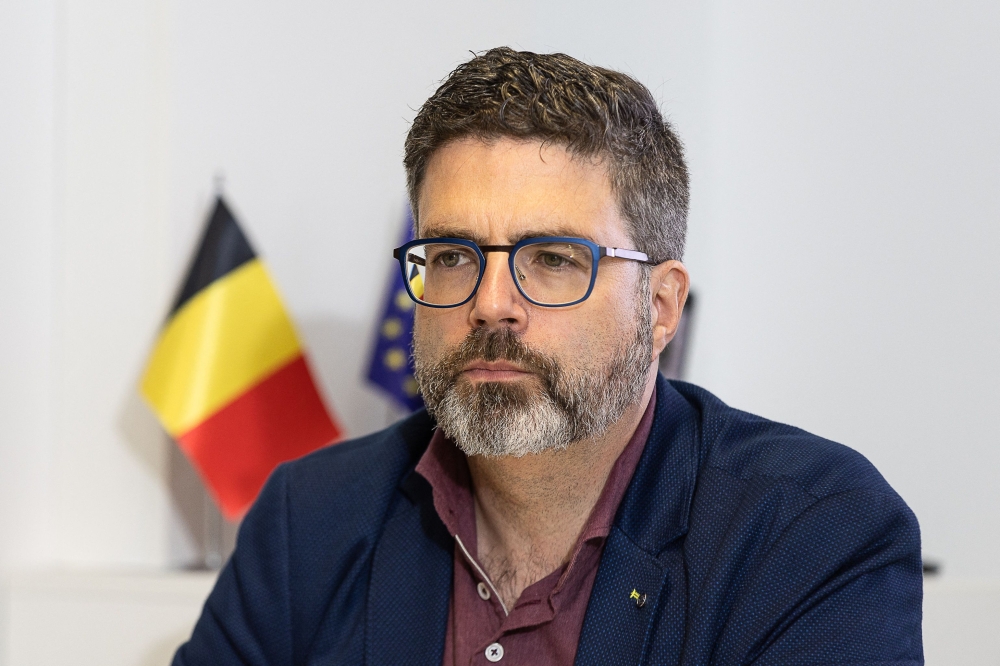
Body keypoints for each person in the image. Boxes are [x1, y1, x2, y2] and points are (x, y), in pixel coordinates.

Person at [174, 48, 923, 666]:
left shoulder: (813, 535)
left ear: (660, 309)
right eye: (454, 254)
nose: (490, 302)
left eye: (554, 258)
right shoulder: (311, 518)